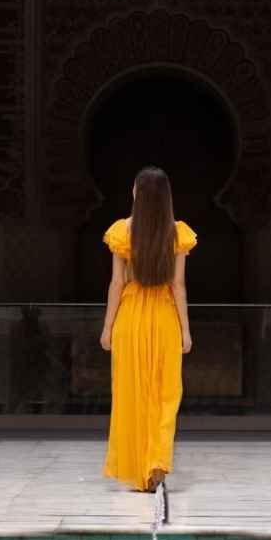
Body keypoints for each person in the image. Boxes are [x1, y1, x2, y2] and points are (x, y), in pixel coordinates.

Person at [100, 166, 197, 508]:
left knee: (132, 393)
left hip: (130, 319)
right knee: (165, 393)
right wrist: (185, 329)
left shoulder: (122, 232)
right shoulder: (177, 234)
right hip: (164, 317)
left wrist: (108, 326)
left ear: (136, 194)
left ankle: (138, 467)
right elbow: (178, 285)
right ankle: (155, 464)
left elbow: (117, 283)